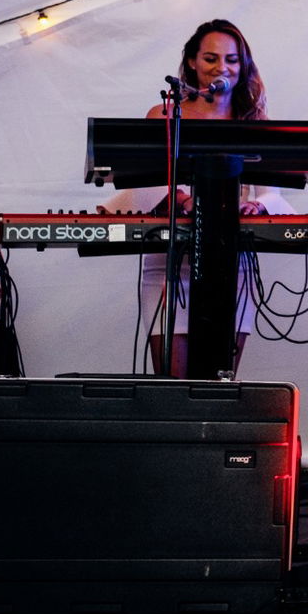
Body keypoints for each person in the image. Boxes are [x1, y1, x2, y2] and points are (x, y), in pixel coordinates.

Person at [124, 19, 281, 379]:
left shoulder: (253, 120)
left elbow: (271, 190)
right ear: (192, 62)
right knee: (174, 385)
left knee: (218, 383)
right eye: (211, 58)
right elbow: (146, 180)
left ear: (243, 66)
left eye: (232, 59)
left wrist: (256, 206)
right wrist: (183, 200)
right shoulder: (164, 114)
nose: (221, 67)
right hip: (170, 264)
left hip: (232, 262)